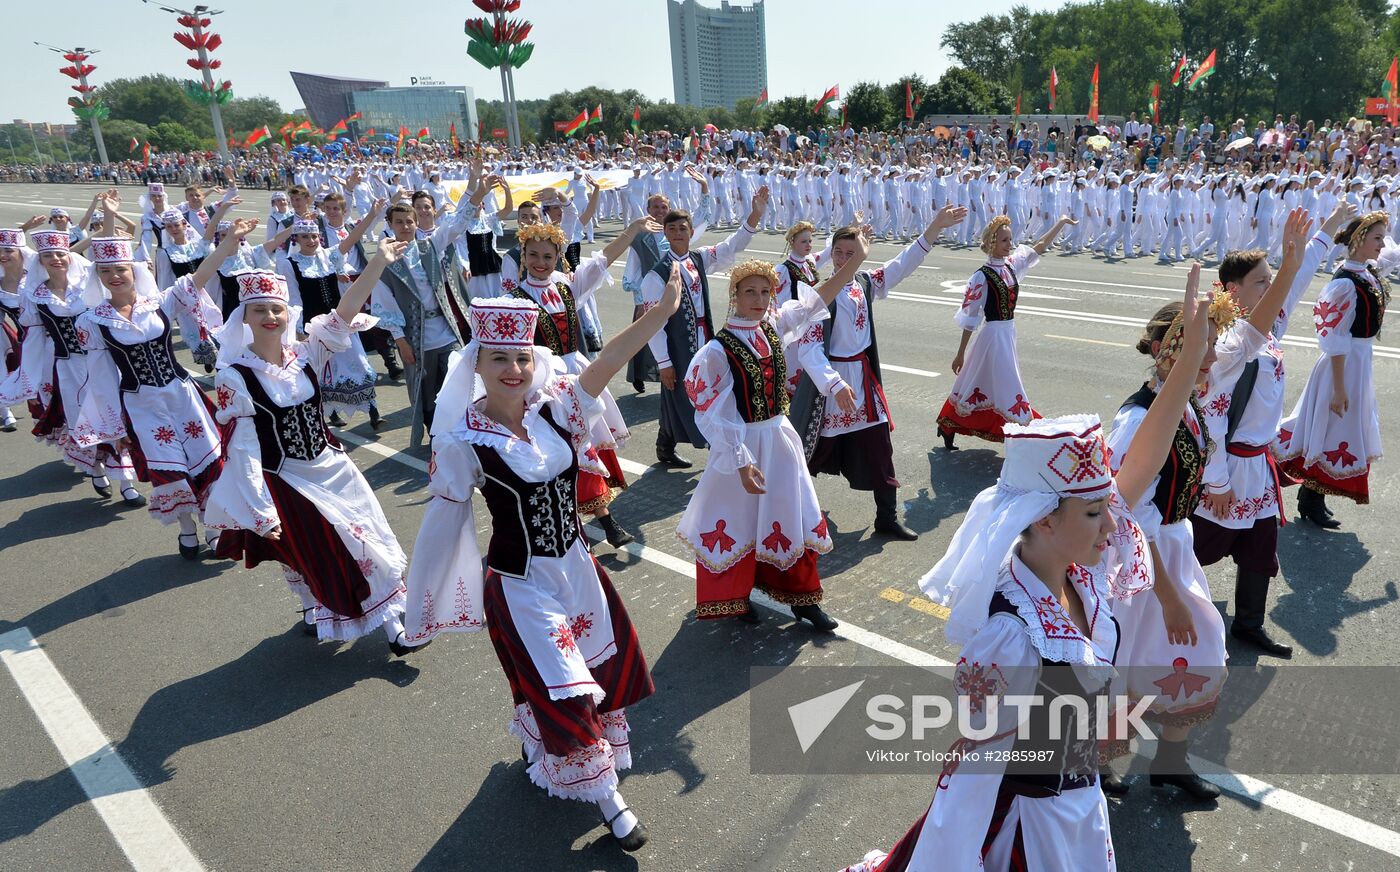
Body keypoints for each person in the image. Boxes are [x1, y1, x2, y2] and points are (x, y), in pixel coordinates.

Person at [841, 269, 1212, 871]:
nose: (1114, 526)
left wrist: (1191, 354)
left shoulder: (1079, 572)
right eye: (1094, 513)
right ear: (1043, 519)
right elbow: (976, 767)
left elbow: (1142, 460)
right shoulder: (1011, 632)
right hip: (1028, 829)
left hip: (1078, 806)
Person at [400, 284, 688, 852]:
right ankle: (610, 799)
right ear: (476, 364)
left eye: (522, 357)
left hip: (578, 571)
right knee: (566, 686)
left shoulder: (557, 408)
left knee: (593, 676)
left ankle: (555, 749)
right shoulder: (462, 443)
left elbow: (609, 359)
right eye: (498, 358)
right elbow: (441, 528)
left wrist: (664, 311)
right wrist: (425, 603)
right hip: (521, 582)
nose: (513, 369)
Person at [1104, 263, 1270, 803]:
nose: (1212, 365)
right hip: (1141, 561)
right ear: (1170, 353)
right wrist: (1169, 595)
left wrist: (1291, 269)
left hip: (1174, 546)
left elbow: (1251, 339)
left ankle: (1168, 762)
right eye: (1202, 354)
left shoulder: (1188, 406)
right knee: (1128, 662)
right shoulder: (1139, 420)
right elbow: (1127, 515)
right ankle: (1102, 765)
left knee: (1191, 657)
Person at [205, 243, 411, 645]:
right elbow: (243, 449)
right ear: (243, 317)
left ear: (288, 314)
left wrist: (377, 263)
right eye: (259, 309)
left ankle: (386, 616)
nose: (269, 316)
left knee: (367, 535)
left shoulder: (305, 354)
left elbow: (343, 312)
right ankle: (390, 626)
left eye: (276, 309)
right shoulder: (234, 375)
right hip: (289, 477)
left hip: (332, 465)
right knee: (335, 548)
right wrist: (261, 509)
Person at [679, 240, 871, 628]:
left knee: (789, 514)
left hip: (779, 439)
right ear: (734, 296)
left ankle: (803, 600)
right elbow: (716, 411)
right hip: (744, 445)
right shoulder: (718, 350)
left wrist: (858, 261)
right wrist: (740, 460)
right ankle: (736, 596)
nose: (759, 298)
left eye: (765, 291)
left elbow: (819, 298)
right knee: (739, 521)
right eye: (750, 291)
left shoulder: (774, 326)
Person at [1194, 206, 1344, 658]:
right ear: (1231, 291)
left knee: (1260, 547)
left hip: (1258, 466)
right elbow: (1212, 421)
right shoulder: (1225, 342)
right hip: (1226, 469)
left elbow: (1295, 282)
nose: (1271, 285)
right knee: (1196, 547)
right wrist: (1216, 481)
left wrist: (1329, 226)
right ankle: (1158, 605)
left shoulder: (1267, 327)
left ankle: (1248, 624)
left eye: (1269, 279)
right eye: (1261, 281)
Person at [791, 205, 969, 541]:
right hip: (830, 387)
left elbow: (902, 264)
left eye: (852, 252)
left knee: (880, 450)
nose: (845, 258)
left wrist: (933, 228)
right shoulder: (817, 294)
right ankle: (794, 512)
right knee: (811, 453)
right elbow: (809, 350)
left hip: (863, 381)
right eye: (839, 253)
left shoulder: (864, 283)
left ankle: (886, 517)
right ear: (831, 255)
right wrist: (834, 384)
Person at [73, 213, 244, 557]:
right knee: (168, 466)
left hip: (181, 394)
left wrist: (228, 242)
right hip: (142, 403)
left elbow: (198, 278)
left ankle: (212, 524)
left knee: (206, 458)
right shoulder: (92, 322)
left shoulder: (160, 302)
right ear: (98, 277)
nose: (114, 276)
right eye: (105, 271)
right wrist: (113, 424)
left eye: (120, 269)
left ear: (134, 271)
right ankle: (185, 528)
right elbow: (102, 376)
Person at [500, 217, 660, 547]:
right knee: (562, 450)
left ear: (558, 256)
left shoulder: (567, 287)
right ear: (523, 256)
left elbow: (603, 259)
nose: (540, 263)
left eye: (547, 256)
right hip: (541, 385)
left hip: (578, 377)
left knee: (583, 444)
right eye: (533, 255)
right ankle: (581, 520)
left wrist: (631, 230)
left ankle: (601, 518)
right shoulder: (514, 300)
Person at [0, 228, 140, 503]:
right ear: (39, 260)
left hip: (100, 362)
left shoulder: (87, 288)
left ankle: (126, 481)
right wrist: (32, 376)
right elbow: (34, 338)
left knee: (113, 413)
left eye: (60, 253)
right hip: (66, 366)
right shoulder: (35, 295)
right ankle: (97, 468)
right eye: (48, 255)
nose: (56, 259)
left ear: (69, 256)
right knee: (79, 418)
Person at [1275, 209, 1397, 523]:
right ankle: (1307, 499)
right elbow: (1334, 339)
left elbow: (1392, 256)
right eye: (1377, 238)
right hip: (1341, 366)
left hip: (1358, 362)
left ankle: (1309, 496)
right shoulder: (1345, 283)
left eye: (1383, 238)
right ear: (1358, 241)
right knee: (1329, 428)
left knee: (1327, 429)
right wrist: (1340, 387)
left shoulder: (1364, 271)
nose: (1382, 245)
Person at [639, 187, 769, 468]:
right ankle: (677, 443)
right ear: (665, 233)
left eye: (682, 228)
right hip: (678, 341)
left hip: (704, 336)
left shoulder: (698, 258)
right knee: (679, 391)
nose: (677, 233)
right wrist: (663, 362)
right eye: (671, 228)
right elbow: (653, 324)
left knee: (709, 389)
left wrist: (755, 214)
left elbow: (732, 245)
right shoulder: (656, 275)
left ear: (690, 231)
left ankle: (691, 443)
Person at [936, 213, 1075, 449]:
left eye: (1010, 240)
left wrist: (1060, 223)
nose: (1010, 245)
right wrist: (960, 353)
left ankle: (949, 425)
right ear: (992, 243)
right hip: (993, 336)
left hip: (1008, 333)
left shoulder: (1011, 265)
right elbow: (971, 318)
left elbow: (1039, 247)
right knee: (1007, 383)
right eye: (1004, 241)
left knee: (978, 384)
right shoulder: (981, 276)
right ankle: (1023, 431)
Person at [368, 194, 477, 446]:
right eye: (399, 222)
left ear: (417, 224)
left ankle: (462, 434)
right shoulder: (385, 262)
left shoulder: (429, 247)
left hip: (446, 330)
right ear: (390, 225)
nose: (405, 226)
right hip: (418, 339)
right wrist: (401, 341)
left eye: (409, 221)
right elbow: (384, 306)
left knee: (456, 383)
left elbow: (457, 225)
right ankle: (437, 437)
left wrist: (475, 192)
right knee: (427, 394)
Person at [274, 209, 384, 428]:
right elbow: (294, 297)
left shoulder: (329, 256)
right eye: (305, 237)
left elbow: (352, 238)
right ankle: (331, 413)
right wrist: (299, 327)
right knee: (325, 370)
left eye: (314, 236)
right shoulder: (290, 263)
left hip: (341, 319)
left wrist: (371, 215)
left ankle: (374, 412)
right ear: (296, 239)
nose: (311, 240)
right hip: (316, 326)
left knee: (358, 363)